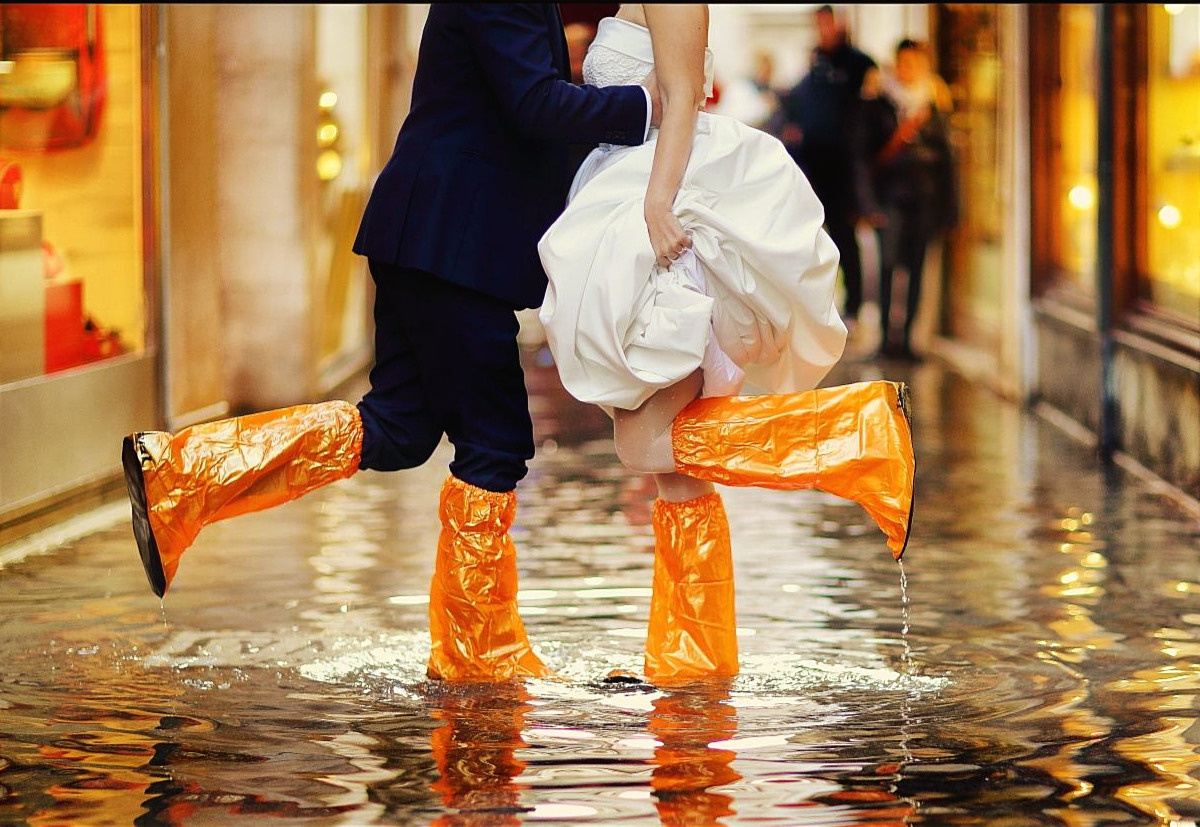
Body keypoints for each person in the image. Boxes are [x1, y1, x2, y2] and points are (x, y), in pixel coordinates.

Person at [121, 5, 660, 683]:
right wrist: (649, 104)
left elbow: (516, 107)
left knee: (399, 428)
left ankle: (182, 473)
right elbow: (534, 104)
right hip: (451, 245)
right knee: (495, 445)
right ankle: (477, 653)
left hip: (435, 238)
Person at [538, 4, 916, 685]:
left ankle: (855, 431)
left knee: (643, 446)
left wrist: (658, 204)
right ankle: (692, 658)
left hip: (664, 216)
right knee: (676, 472)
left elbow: (685, 96)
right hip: (626, 198)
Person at [852, 40, 957, 361]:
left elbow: (948, 161)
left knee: (916, 269)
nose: (909, 69)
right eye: (904, 63)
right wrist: (867, 204)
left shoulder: (934, 105)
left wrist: (951, 209)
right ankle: (886, 339)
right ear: (896, 64)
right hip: (889, 198)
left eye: (915, 63)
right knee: (887, 266)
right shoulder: (879, 104)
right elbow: (862, 158)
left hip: (925, 200)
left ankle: (909, 339)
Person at [779, 5, 876, 336]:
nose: (823, 30)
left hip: (844, 169)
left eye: (827, 24)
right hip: (812, 166)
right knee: (809, 237)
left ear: (839, 24)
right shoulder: (815, 65)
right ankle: (814, 305)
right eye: (818, 25)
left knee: (845, 237)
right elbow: (799, 103)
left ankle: (854, 306)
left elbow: (866, 116)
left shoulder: (858, 65)